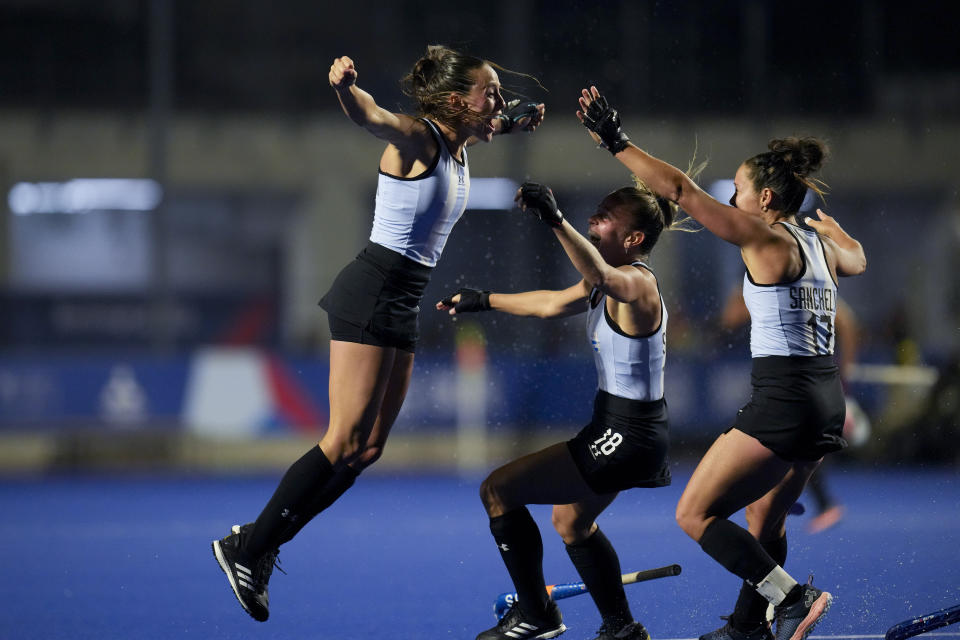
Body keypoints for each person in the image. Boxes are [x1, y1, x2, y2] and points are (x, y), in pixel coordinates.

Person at [211, 45, 545, 623]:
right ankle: (249, 546)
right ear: (452, 100)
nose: (497, 100)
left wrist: (508, 121)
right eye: (487, 91)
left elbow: (491, 124)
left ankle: (258, 544)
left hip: (402, 300)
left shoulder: (460, 149)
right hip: (372, 290)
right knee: (341, 440)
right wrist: (344, 89)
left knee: (366, 450)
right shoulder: (419, 139)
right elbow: (374, 118)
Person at [576, 87, 866, 640]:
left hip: (783, 401)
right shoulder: (820, 245)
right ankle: (745, 627)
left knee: (693, 514)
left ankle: (790, 597)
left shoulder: (760, 235)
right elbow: (859, 258)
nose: (731, 201)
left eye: (737, 191)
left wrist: (618, 142)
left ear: (764, 201)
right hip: (827, 402)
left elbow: (680, 190)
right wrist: (834, 230)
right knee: (765, 520)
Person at [438, 179, 690, 640]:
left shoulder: (633, 282)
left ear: (634, 239)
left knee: (498, 490)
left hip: (627, 433)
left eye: (606, 215)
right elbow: (551, 304)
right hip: (626, 425)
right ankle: (620, 628)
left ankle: (537, 615)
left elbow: (602, 278)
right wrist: (483, 300)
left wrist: (555, 219)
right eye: (595, 210)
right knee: (571, 520)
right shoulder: (603, 283)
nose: (595, 219)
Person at [719, 291, 868, 534]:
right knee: (795, 444)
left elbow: (848, 323)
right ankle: (799, 499)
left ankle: (800, 500)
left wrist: (847, 369)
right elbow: (730, 320)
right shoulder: (774, 288)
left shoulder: (797, 286)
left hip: (802, 382)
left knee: (785, 442)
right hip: (792, 380)